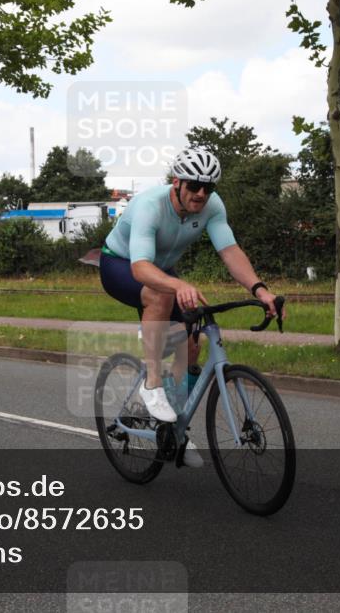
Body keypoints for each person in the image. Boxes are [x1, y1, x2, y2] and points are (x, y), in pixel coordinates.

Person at [99, 147, 283, 467]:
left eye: (208, 188)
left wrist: (260, 289)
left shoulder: (211, 207)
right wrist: (179, 284)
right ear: (177, 183)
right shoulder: (149, 206)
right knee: (161, 296)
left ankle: (174, 431)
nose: (201, 194)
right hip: (121, 264)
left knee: (192, 337)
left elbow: (230, 252)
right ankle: (152, 384)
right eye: (194, 186)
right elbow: (141, 268)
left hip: (161, 270)